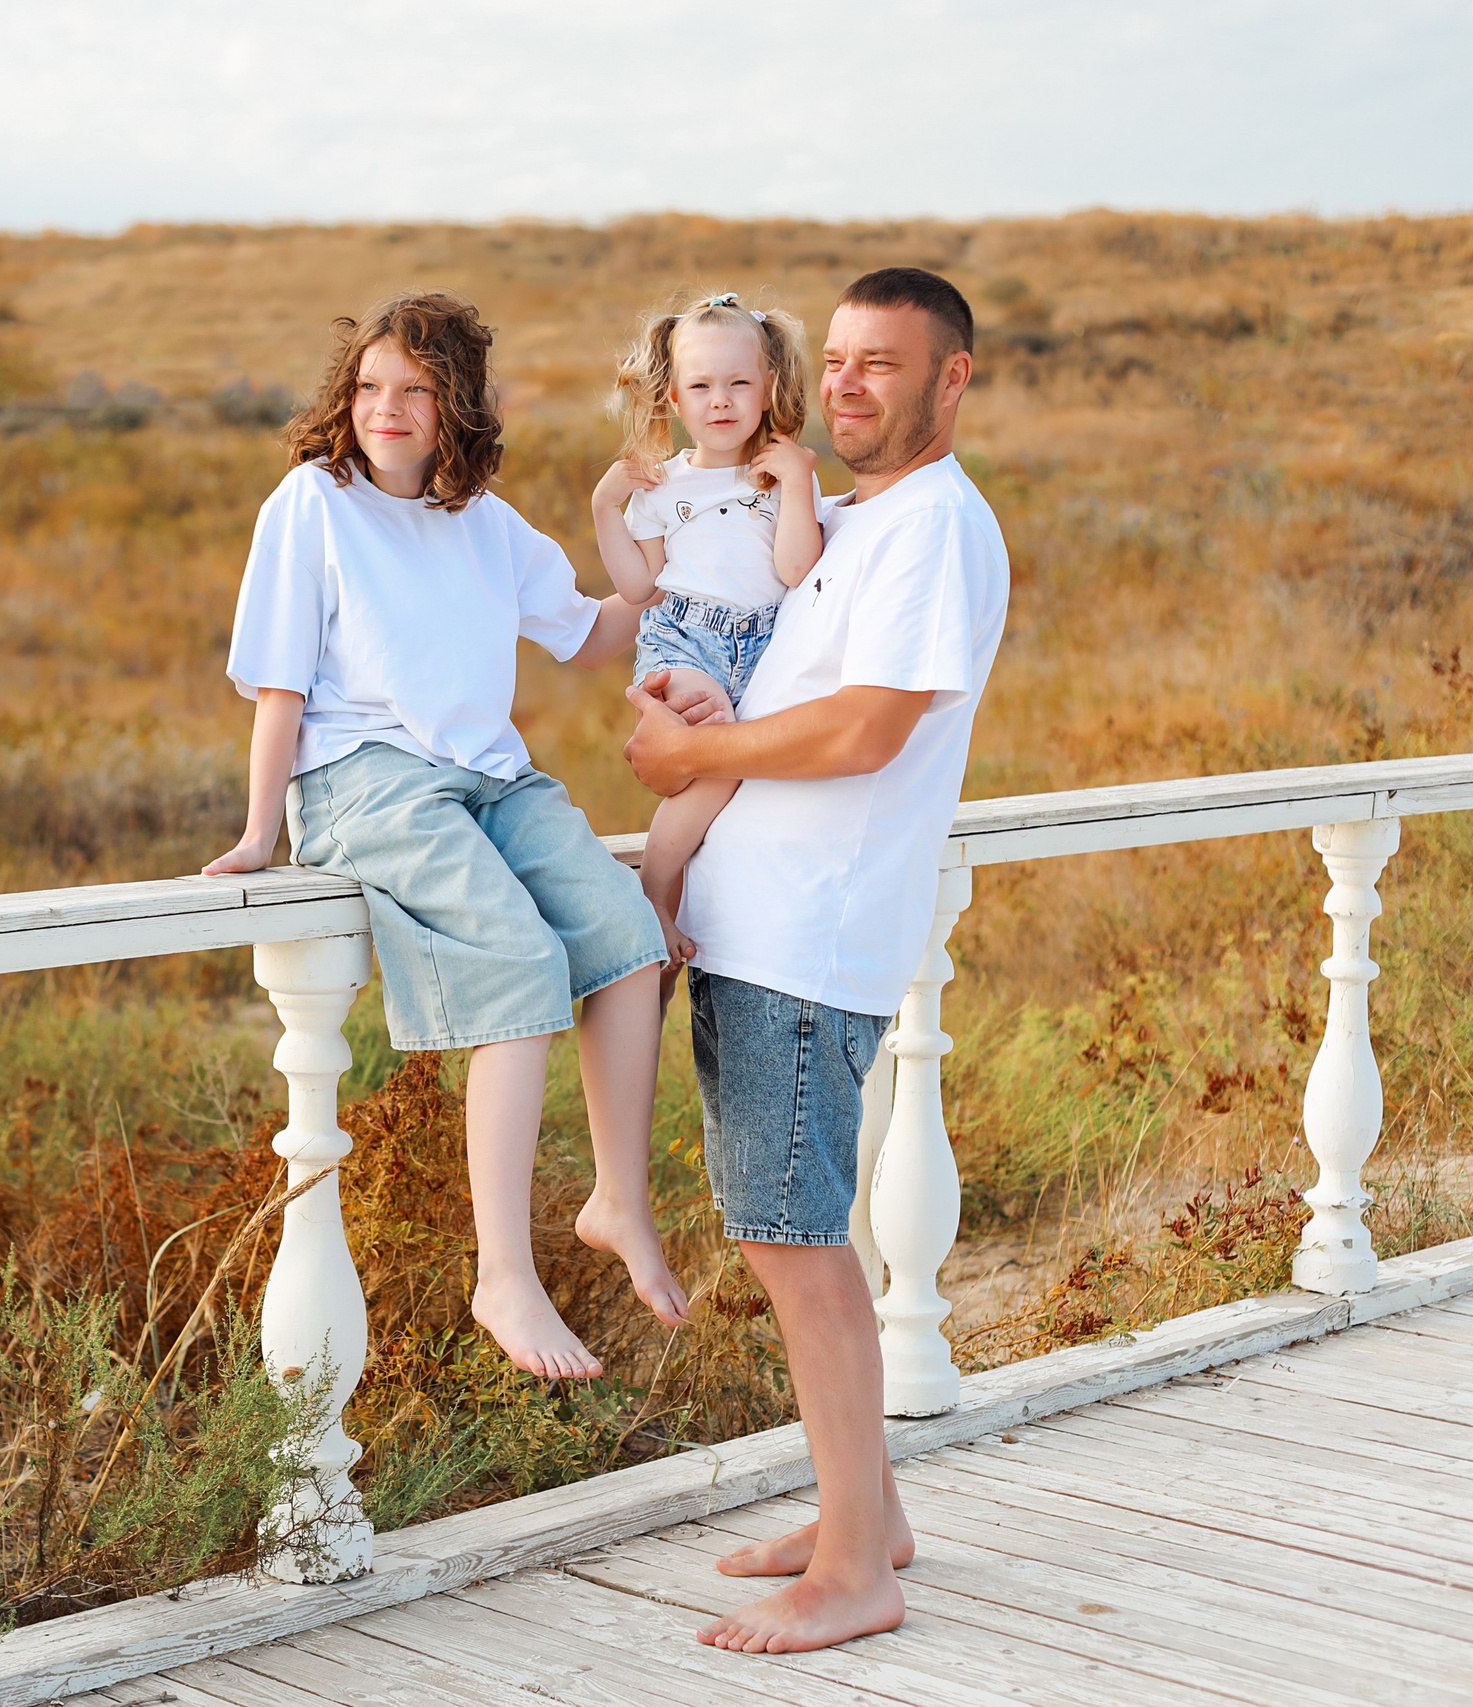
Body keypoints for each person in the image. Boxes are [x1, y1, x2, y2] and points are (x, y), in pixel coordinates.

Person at [624, 266, 1010, 1652]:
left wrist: (691, 755)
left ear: (950, 377)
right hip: (765, 925)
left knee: (795, 1247)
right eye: (836, 360)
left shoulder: (934, 531)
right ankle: (870, 1512)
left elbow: (864, 730)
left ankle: (856, 1567)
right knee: (796, 1232)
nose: (849, 383)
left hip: (808, 936)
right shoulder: (854, 518)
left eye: (883, 364)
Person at [205, 292, 690, 1383]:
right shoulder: (312, 504)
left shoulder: (485, 524)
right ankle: (503, 1274)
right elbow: (279, 681)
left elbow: (596, 629)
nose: (387, 409)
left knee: (627, 937)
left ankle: (617, 1202)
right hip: (362, 780)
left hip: (484, 775)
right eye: (371, 387)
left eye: (414, 391)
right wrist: (256, 833)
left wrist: (646, 539)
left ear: (454, 407)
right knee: (519, 960)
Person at [590, 294, 823, 976]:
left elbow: (795, 568)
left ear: (769, 388)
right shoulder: (662, 486)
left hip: (764, 648)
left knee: (723, 781)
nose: (720, 400)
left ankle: (667, 902)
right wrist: (606, 505)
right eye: (701, 386)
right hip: (685, 641)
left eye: (738, 383)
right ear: (672, 398)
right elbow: (638, 586)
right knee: (711, 742)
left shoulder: (778, 477)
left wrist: (801, 484)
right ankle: (657, 898)